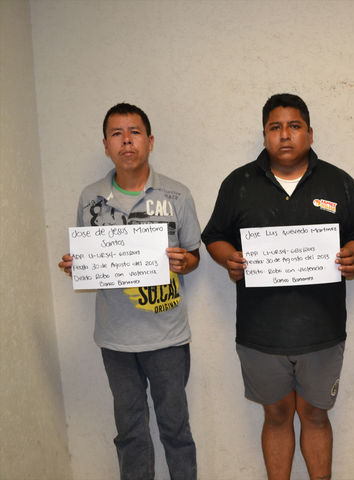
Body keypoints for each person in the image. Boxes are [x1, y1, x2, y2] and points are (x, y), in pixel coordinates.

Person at [202, 93, 354, 480]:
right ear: (264, 135)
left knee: (315, 414)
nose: (284, 135)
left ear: (309, 133)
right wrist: (229, 258)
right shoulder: (239, 183)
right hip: (260, 331)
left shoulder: (338, 182)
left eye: (294, 126)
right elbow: (214, 236)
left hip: (323, 328)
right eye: (275, 127)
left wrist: (352, 254)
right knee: (276, 415)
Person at [58, 103, 201, 480]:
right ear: (106, 145)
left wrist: (185, 262)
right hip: (116, 339)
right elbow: (89, 257)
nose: (126, 141)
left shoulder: (177, 195)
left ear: (149, 141)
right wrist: (78, 266)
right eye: (117, 134)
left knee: (176, 430)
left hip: (168, 336)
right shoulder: (90, 198)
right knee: (131, 433)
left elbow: (194, 255)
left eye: (134, 132)